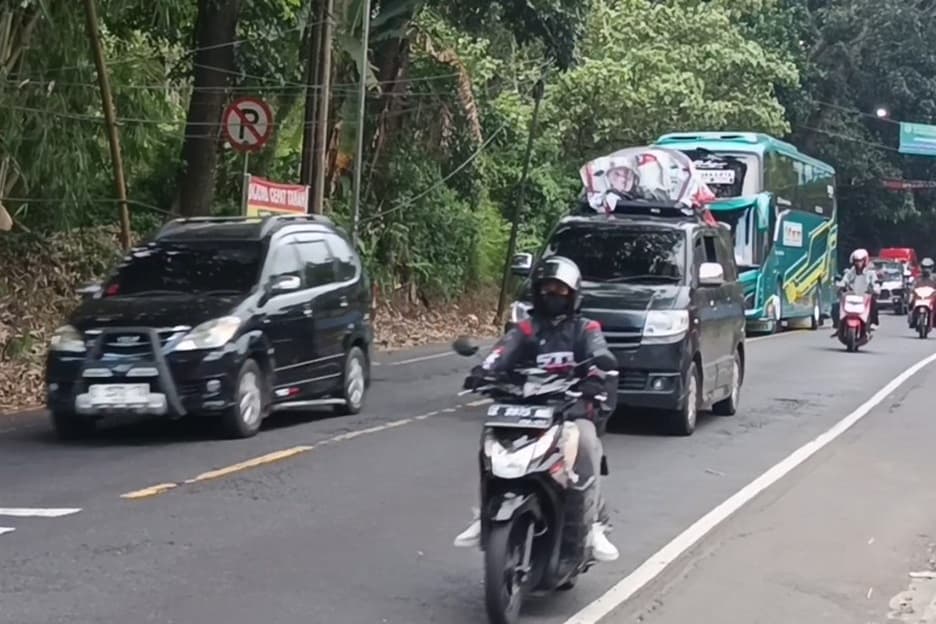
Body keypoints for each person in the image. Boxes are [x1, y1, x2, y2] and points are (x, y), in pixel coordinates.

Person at [453, 256, 620, 562]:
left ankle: (594, 524)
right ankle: (485, 515)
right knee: (489, 442)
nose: (552, 295)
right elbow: (501, 353)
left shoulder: (585, 328)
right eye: (546, 289)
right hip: (524, 407)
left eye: (560, 290)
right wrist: (484, 371)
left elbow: (600, 354)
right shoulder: (527, 329)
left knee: (585, 442)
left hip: (570, 409)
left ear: (573, 294)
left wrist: (595, 378)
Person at [831, 248, 879, 335]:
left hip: (865, 296)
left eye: (860, 261)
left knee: (873, 303)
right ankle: (837, 325)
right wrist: (839, 285)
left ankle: (873, 323)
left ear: (864, 261)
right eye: (856, 261)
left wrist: (875, 289)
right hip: (851, 296)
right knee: (836, 305)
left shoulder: (870, 272)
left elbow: (875, 283)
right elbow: (844, 281)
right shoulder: (851, 272)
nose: (858, 263)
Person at [908, 257, 936, 327]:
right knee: (910, 300)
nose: (926, 269)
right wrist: (911, 289)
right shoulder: (917, 277)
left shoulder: (934, 277)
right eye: (924, 267)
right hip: (919, 296)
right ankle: (912, 318)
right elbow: (913, 286)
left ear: (932, 268)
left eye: (928, 267)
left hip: (931, 296)